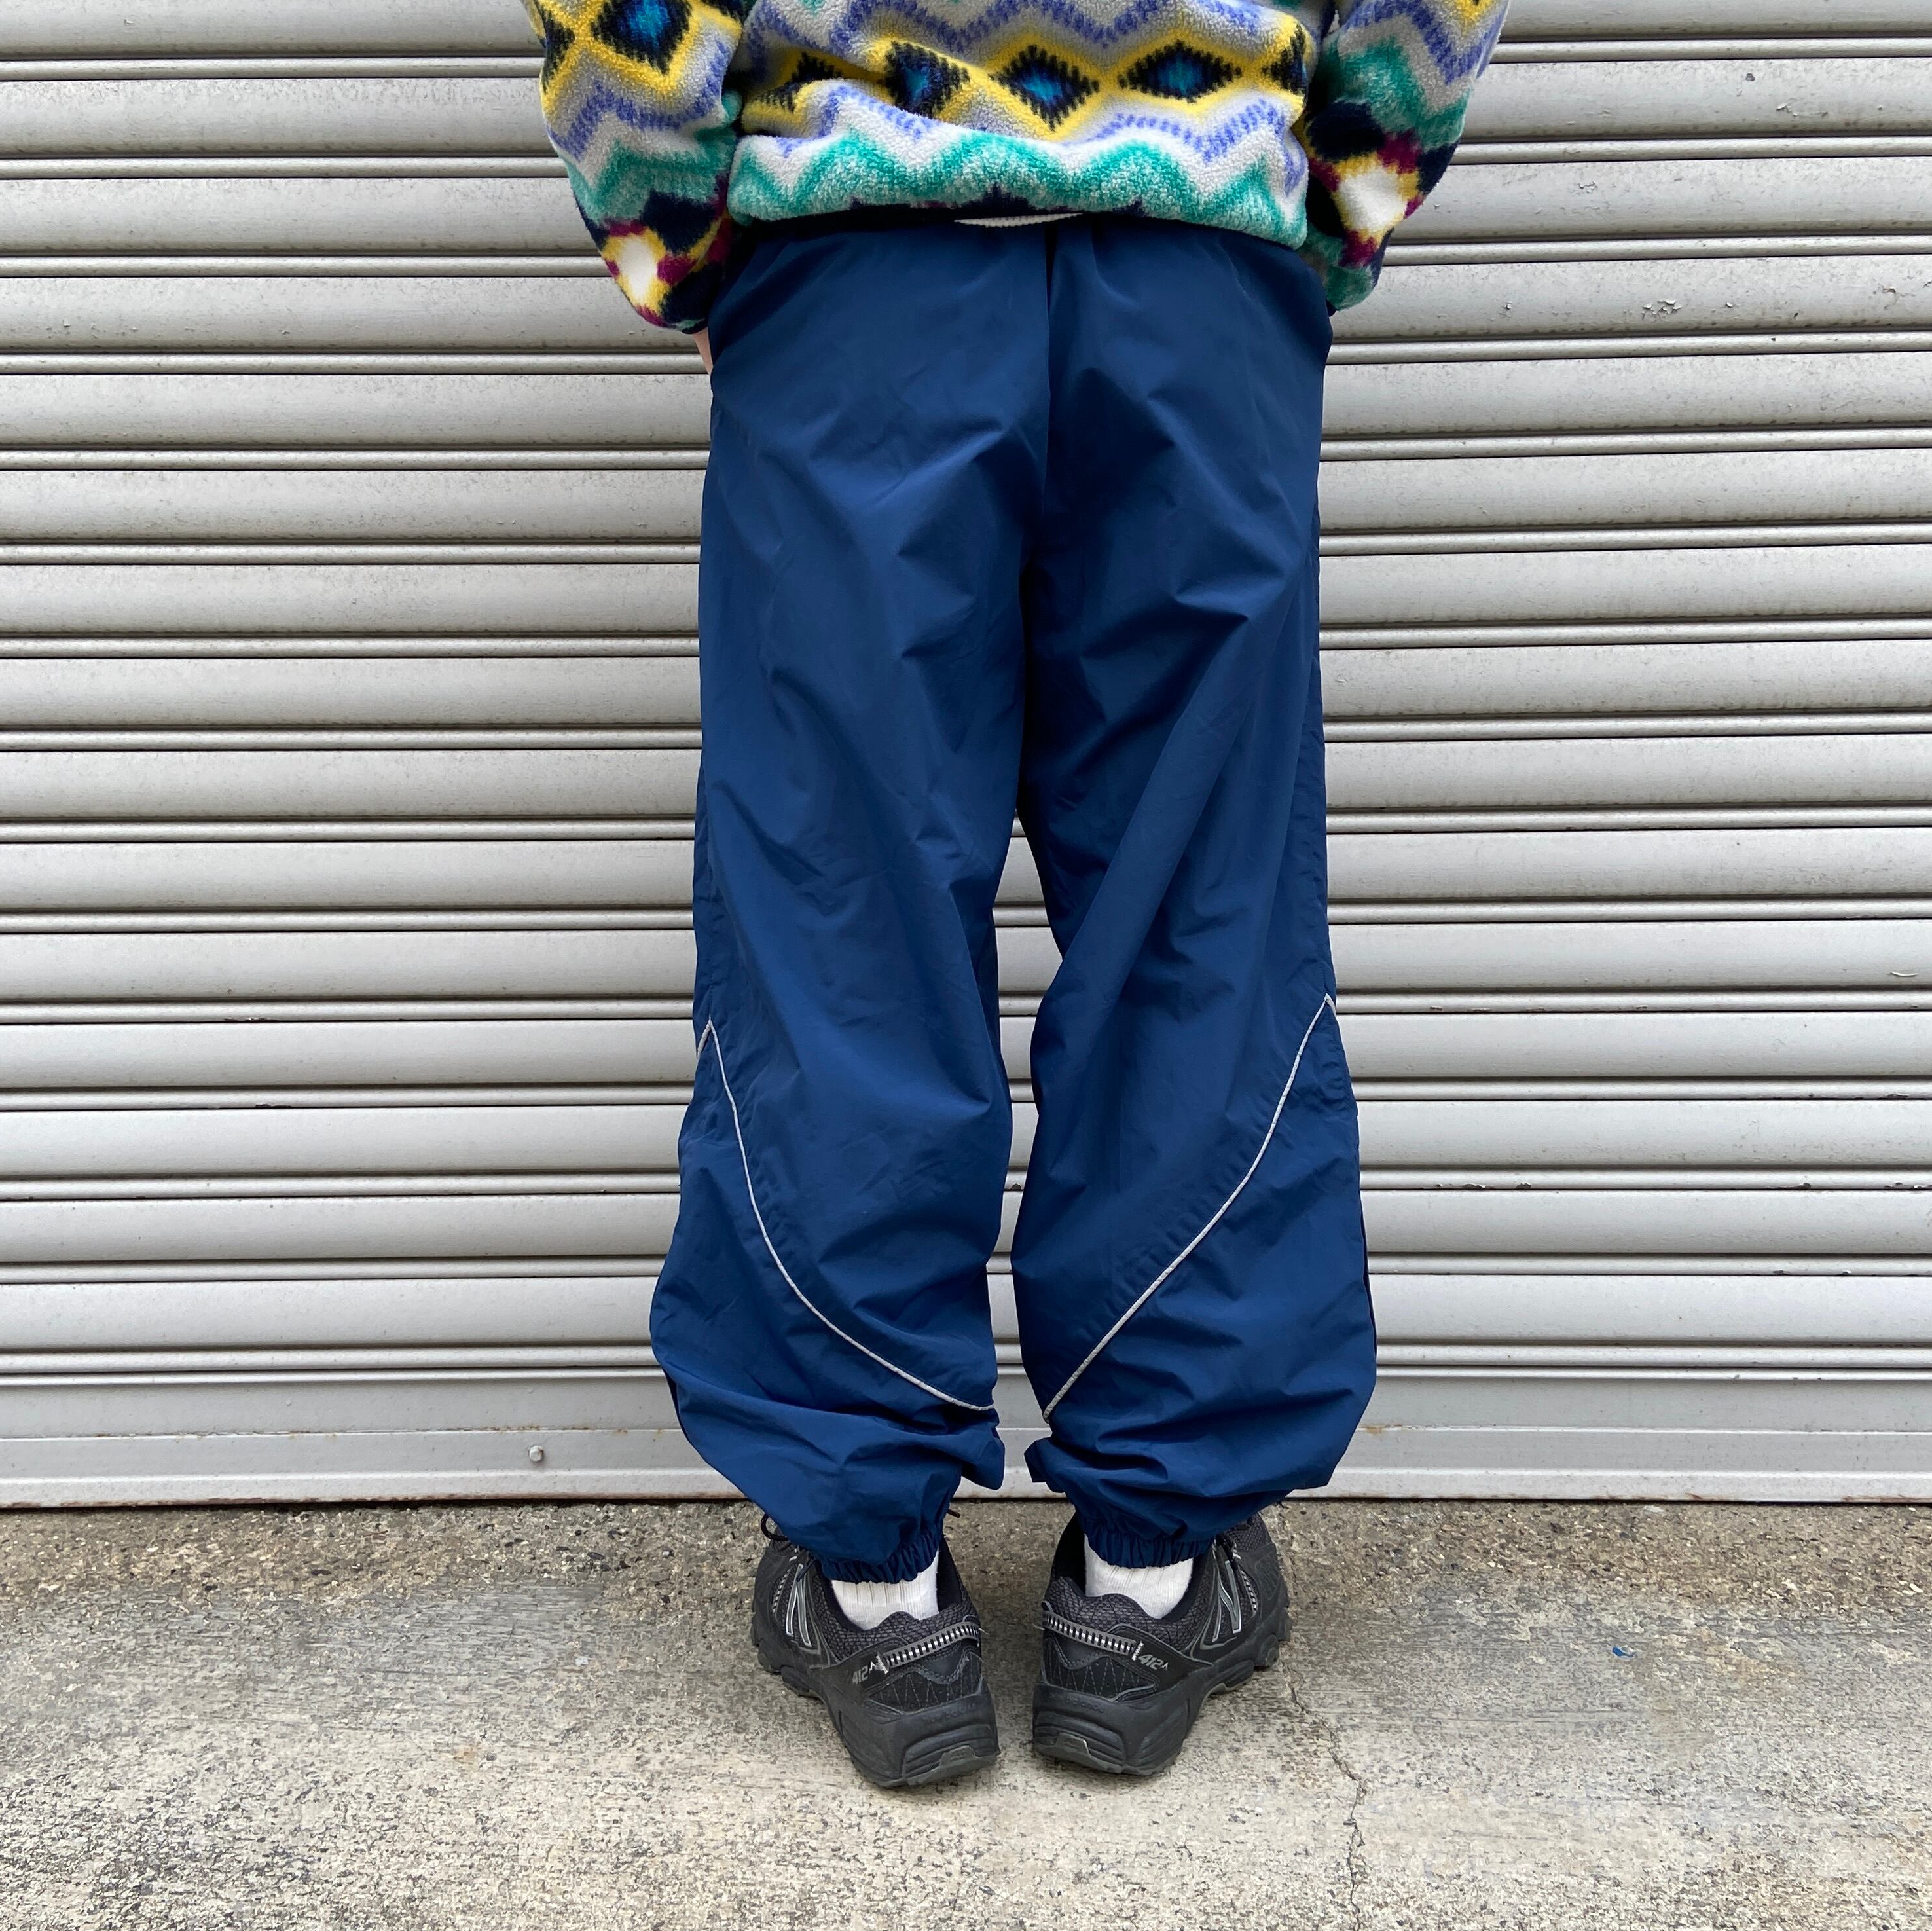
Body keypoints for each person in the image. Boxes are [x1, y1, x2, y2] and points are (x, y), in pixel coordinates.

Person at [528, 0, 1506, 1784]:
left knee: (838, 912)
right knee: (1199, 909)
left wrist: (678, 223)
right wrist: (1334, 187)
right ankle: (1145, 1583)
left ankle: (878, 1592)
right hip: (1197, 272)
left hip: (862, 275)